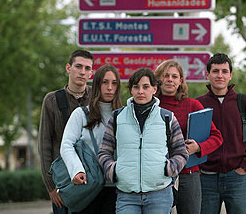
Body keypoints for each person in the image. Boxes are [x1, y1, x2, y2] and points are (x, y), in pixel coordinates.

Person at [98, 68, 189, 214]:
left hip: (160, 193)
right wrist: (113, 171)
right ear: (131, 90)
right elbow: (104, 152)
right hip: (126, 195)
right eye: (136, 87)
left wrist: (168, 168)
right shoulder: (117, 117)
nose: (141, 91)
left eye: (145, 87)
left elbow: (181, 152)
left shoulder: (167, 117)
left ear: (154, 89)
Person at [196, 53, 246, 214]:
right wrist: (198, 166)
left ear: (230, 75)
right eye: (215, 71)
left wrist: (244, 167)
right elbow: (191, 140)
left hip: (238, 178)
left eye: (224, 71)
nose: (220, 75)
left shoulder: (244, 102)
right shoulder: (199, 103)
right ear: (207, 75)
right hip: (206, 179)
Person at [154, 60, 223, 214]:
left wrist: (199, 147)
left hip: (188, 174)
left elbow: (216, 136)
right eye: (166, 76)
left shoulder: (192, 105)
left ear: (180, 81)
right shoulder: (151, 107)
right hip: (157, 174)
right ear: (158, 80)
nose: (170, 79)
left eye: (174, 76)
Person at [60, 64, 122, 213]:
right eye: (104, 82)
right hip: (88, 185)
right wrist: (76, 170)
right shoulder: (81, 114)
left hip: (117, 188)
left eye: (114, 83)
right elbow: (66, 145)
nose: (109, 87)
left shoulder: (124, 114)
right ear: (96, 85)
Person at [38, 50, 94, 214]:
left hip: (93, 180)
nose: (82, 72)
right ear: (68, 68)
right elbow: (44, 145)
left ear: (91, 72)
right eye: (78, 66)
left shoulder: (97, 97)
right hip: (63, 182)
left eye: (87, 68)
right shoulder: (52, 100)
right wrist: (51, 187)